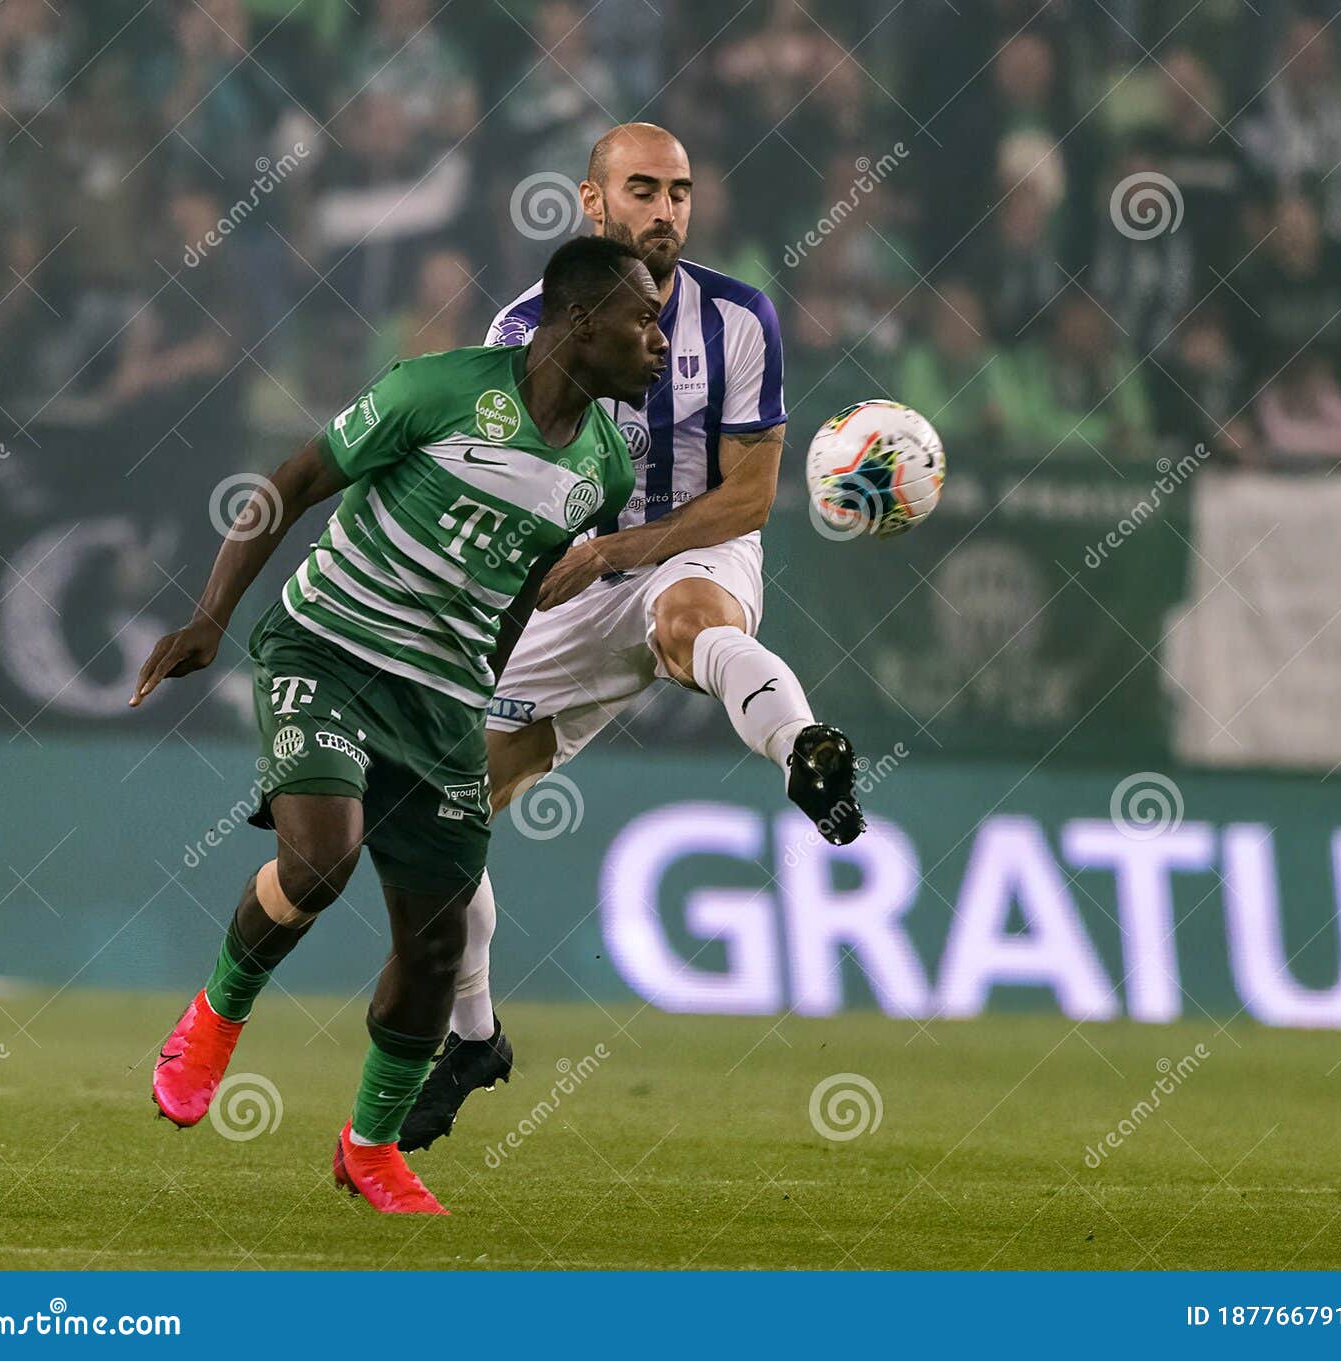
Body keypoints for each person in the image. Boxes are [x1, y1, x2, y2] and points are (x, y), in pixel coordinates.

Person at [130, 236, 664, 1215]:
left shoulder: (601, 471)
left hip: (440, 704)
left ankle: (369, 1146)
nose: (659, 342)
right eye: (644, 319)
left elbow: (513, 600)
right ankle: (215, 1012)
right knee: (321, 862)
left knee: (435, 944)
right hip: (325, 649)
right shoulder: (437, 388)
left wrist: (477, 699)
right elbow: (288, 483)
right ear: (582, 323)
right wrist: (212, 616)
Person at [399, 122, 866, 1153]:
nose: (666, 209)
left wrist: (623, 553)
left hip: (687, 549)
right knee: (445, 814)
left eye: (681, 191)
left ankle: (804, 750)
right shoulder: (523, 325)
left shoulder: (740, 317)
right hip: (568, 581)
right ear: (591, 203)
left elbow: (747, 495)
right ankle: (473, 1036)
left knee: (685, 619)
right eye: (644, 189)